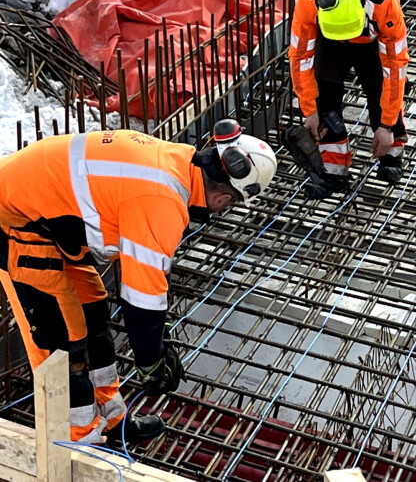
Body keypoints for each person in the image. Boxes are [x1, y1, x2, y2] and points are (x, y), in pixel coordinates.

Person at [0, 120, 276, 445]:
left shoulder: (178, 164)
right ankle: (80, 443)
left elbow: (149, 276)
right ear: (224, 198)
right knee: (61, 341)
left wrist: (156, 335)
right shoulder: (163, 198)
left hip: (49, 220)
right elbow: (141, 299)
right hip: (13, 219)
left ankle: (112, 419)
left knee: (94, 314)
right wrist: (151, 360)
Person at [287, 0, 409, 197]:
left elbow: (395, 69)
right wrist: (309, 110)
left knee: (381, 85)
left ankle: (391, 153)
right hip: (333, 33)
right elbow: (300, 57)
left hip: (373, 34)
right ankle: (334, 169)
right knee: (324, 88)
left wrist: (385, 125)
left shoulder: (384, 1)